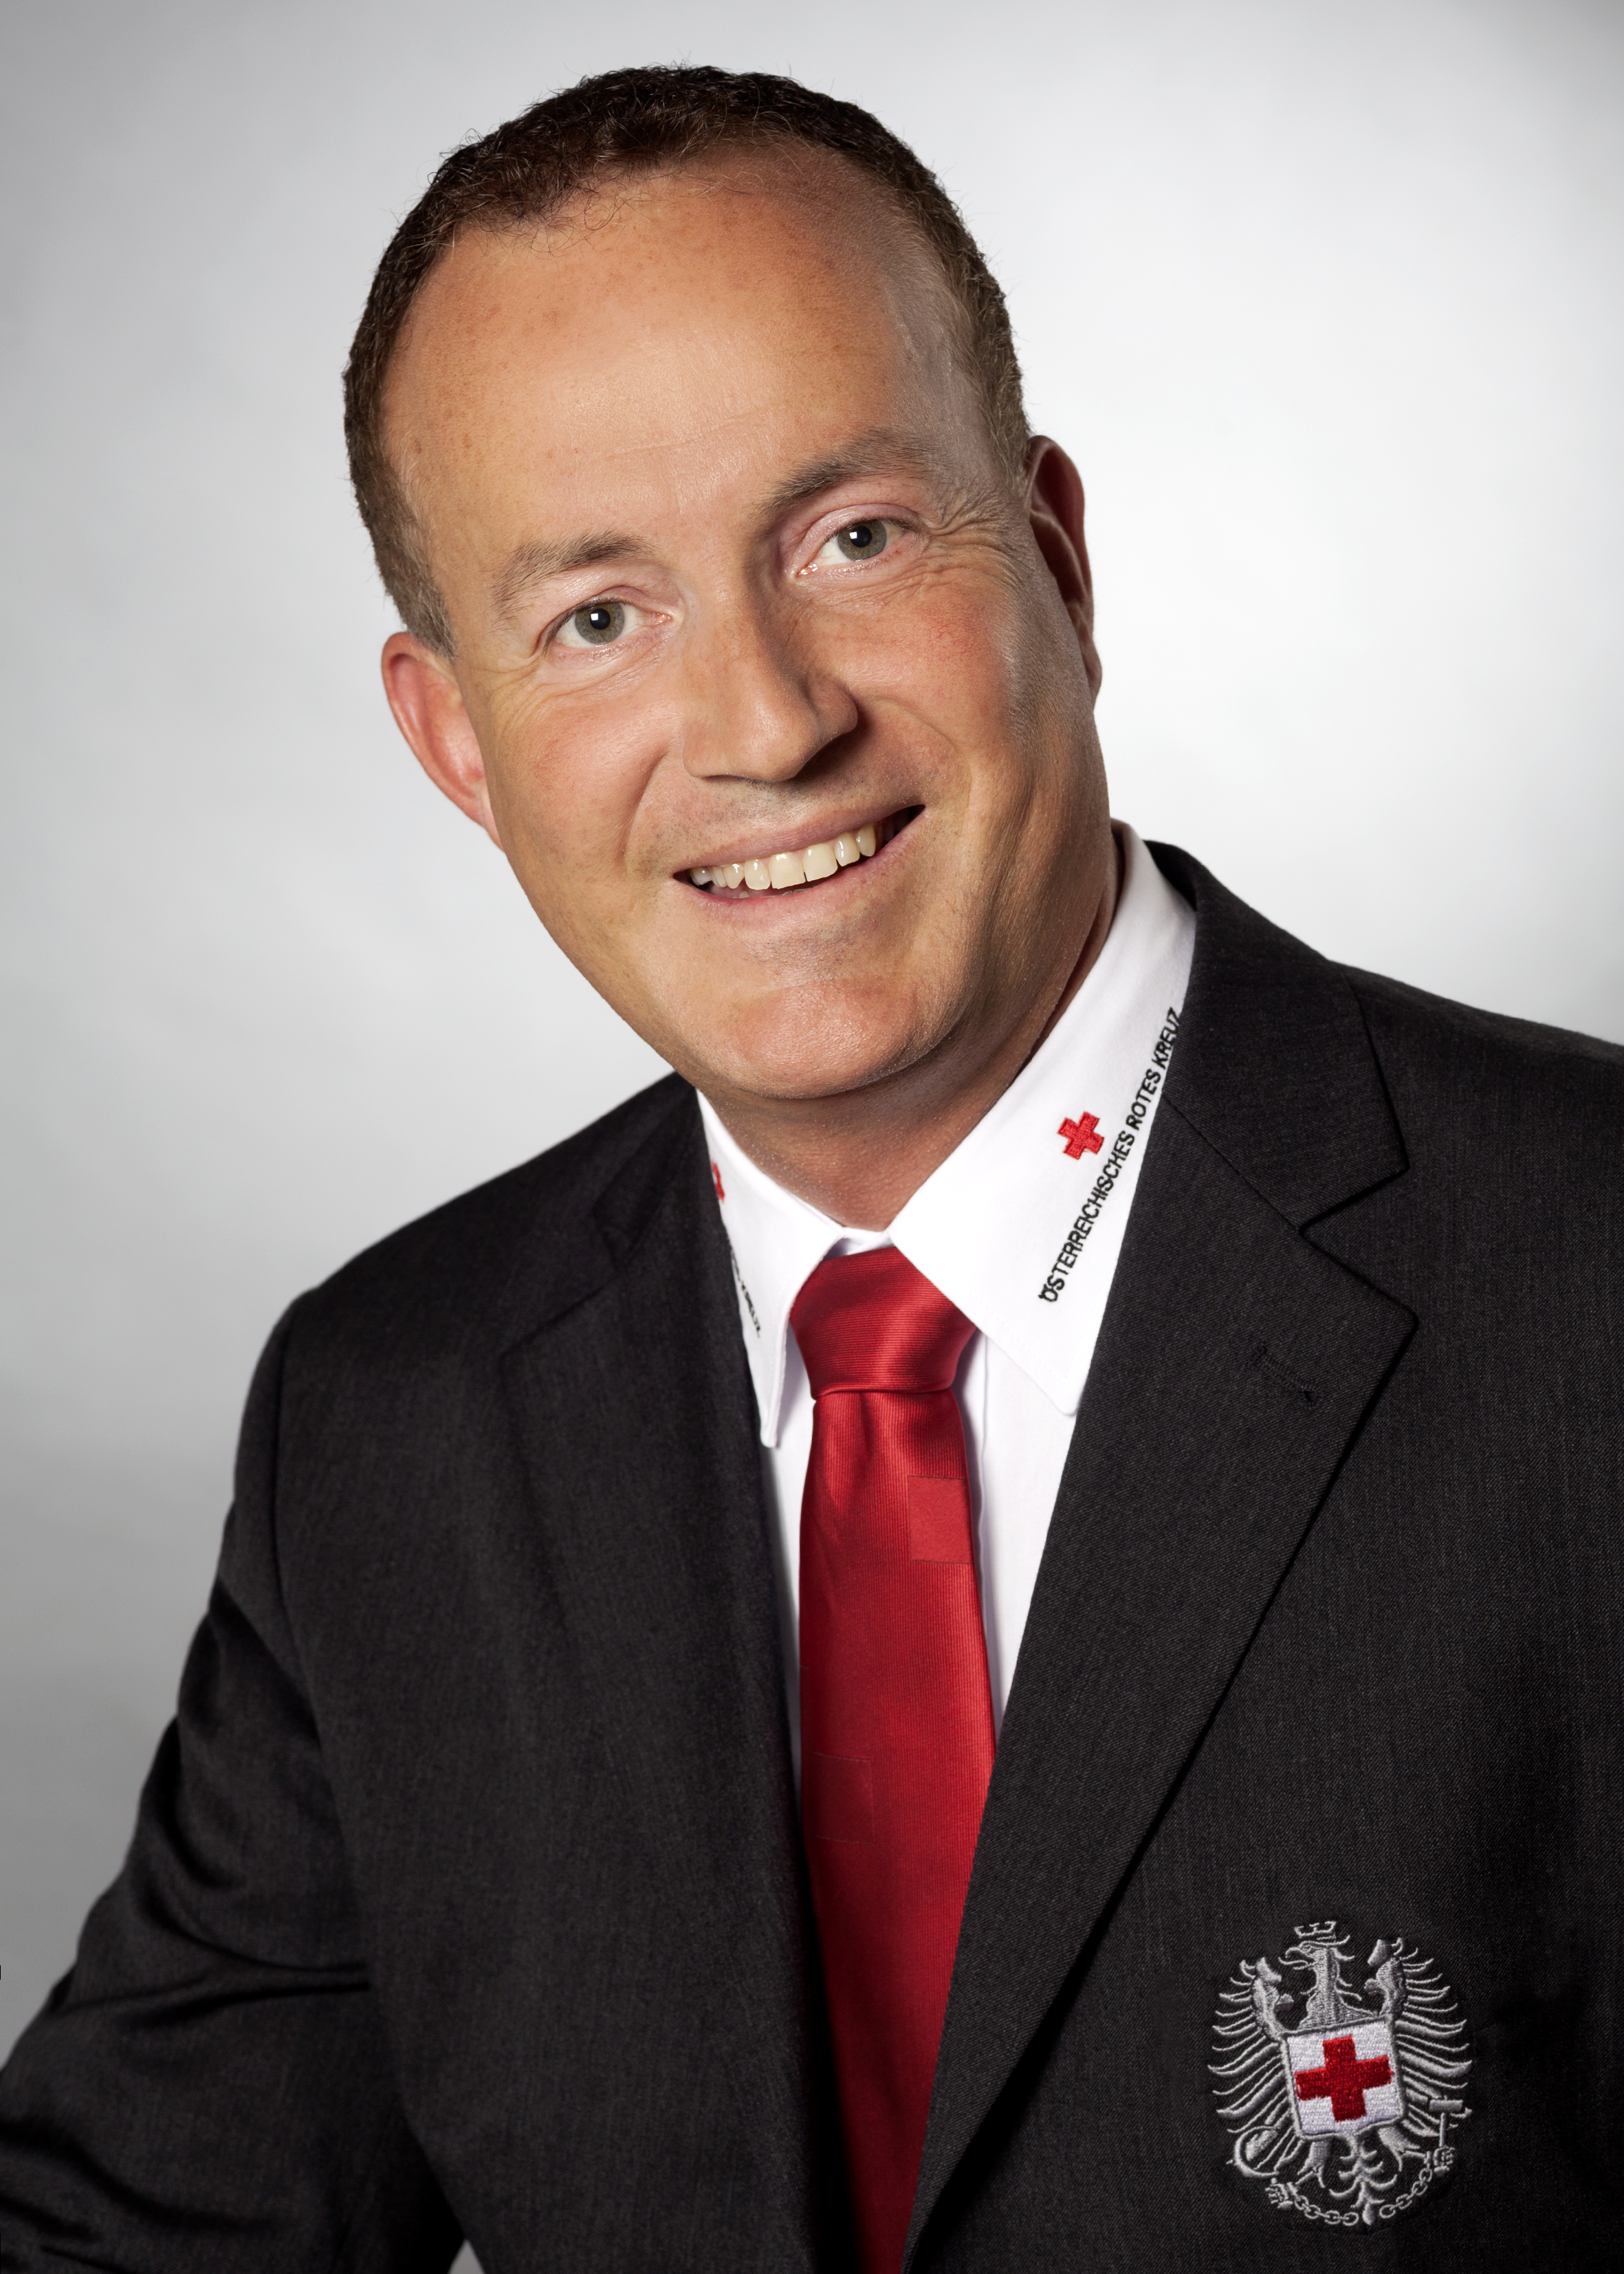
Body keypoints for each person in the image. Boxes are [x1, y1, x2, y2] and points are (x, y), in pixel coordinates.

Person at [1, 61, 1620, 2274]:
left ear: (1053, 556)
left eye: (850, 537)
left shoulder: (1588, 1280)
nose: (765, 726)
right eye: (596, 616)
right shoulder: (388, 1422)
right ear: (456, 740)